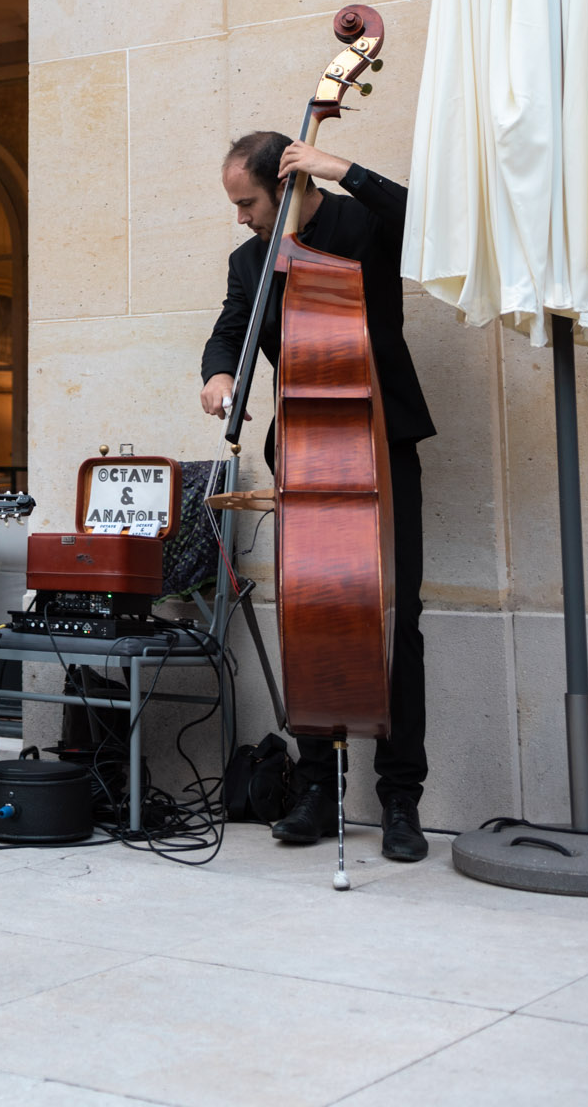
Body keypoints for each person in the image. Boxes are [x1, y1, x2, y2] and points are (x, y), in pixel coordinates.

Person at [200, 133, 435, 863]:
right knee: (309, 615)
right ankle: (317, 788)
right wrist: (215, 376)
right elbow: (228, 332)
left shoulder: (358, 225)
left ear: (284, 182)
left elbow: (423, 216)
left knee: (395, 621)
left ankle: (400, 799)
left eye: (247, 201)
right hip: (305, 450)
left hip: (380, 445)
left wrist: (344, 170)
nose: (240, 218)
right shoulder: (251, 261)